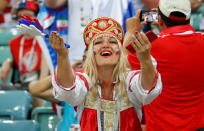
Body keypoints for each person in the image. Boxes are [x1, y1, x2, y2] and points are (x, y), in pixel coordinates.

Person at [50, 17, 162, 131]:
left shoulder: (131, 79)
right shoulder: (84, 80)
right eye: (98, 42)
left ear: (120, 53)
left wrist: (145, 58)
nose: (106, 45)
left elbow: (149, 90)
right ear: (90, 54)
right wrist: (62, 55)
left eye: (113, 42)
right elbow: (67, 88)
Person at [125, 0, 204, 130]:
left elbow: (121, 63)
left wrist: (131, 31)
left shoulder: (151, 46)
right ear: (188, 18)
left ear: (160, 19)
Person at [0, 0, 46, 107]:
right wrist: (9, 62)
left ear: (37, 17)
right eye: (20, 16)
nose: (24, 19)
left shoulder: (44, 40)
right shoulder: (14, 43)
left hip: (41, 84)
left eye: (28, 15)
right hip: (22, 84)